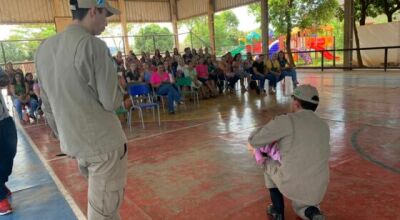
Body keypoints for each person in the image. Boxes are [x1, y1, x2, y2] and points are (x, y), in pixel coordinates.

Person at [35, 1, 127, 219]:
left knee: (104, 207)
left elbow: (47, 106)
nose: (106, 23)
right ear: (93, 11)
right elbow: (111, 102)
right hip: (104, 146)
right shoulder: (93, 45)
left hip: (75, 144)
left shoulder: (45, 48)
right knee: (103, 213)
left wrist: (65, 136)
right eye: (105, 15)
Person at [247, 85, 330, 220]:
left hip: (291, 182)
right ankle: (311, 212)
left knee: (267, 162)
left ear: (296, 104)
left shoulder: (287, 120)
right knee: (303, 205)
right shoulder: (323, 125)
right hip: (319, 186)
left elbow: (255, 141)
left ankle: (277, 211)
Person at [0, 66, 17, 215]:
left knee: (10, 153)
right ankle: (0, 198)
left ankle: (1, 182)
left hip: (4, 119)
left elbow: (4, 80)